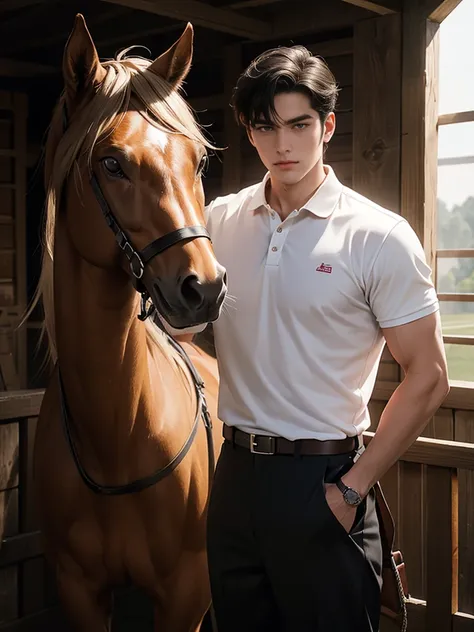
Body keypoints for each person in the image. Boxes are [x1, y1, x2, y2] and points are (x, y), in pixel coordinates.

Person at [186, 45, 449, 631]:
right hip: (234, 480)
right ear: (249, 133)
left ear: (327, 126)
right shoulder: (217, 222)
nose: (283, 145)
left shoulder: (378, 236)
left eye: (300, 125)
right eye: (265, 126)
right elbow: (177, 322)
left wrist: (352, 490)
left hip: (325, 483)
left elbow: (429, 375)